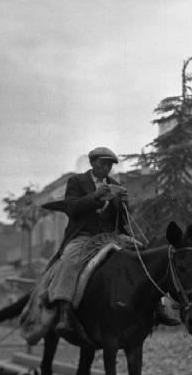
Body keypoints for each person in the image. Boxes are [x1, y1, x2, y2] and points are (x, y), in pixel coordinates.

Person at [30, 146, 179, 341]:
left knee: (143, 256)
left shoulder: (115, 184)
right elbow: (72, 209)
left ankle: (157, 307)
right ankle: (65, 312)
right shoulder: (76, 182)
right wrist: (95, 196)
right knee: (70, 260)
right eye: (103, 164)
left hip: (112, 236)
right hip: (84, 236)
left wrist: (125, 204)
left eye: (110, 165)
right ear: (92, 163)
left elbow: (122, 219)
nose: (106, 168)